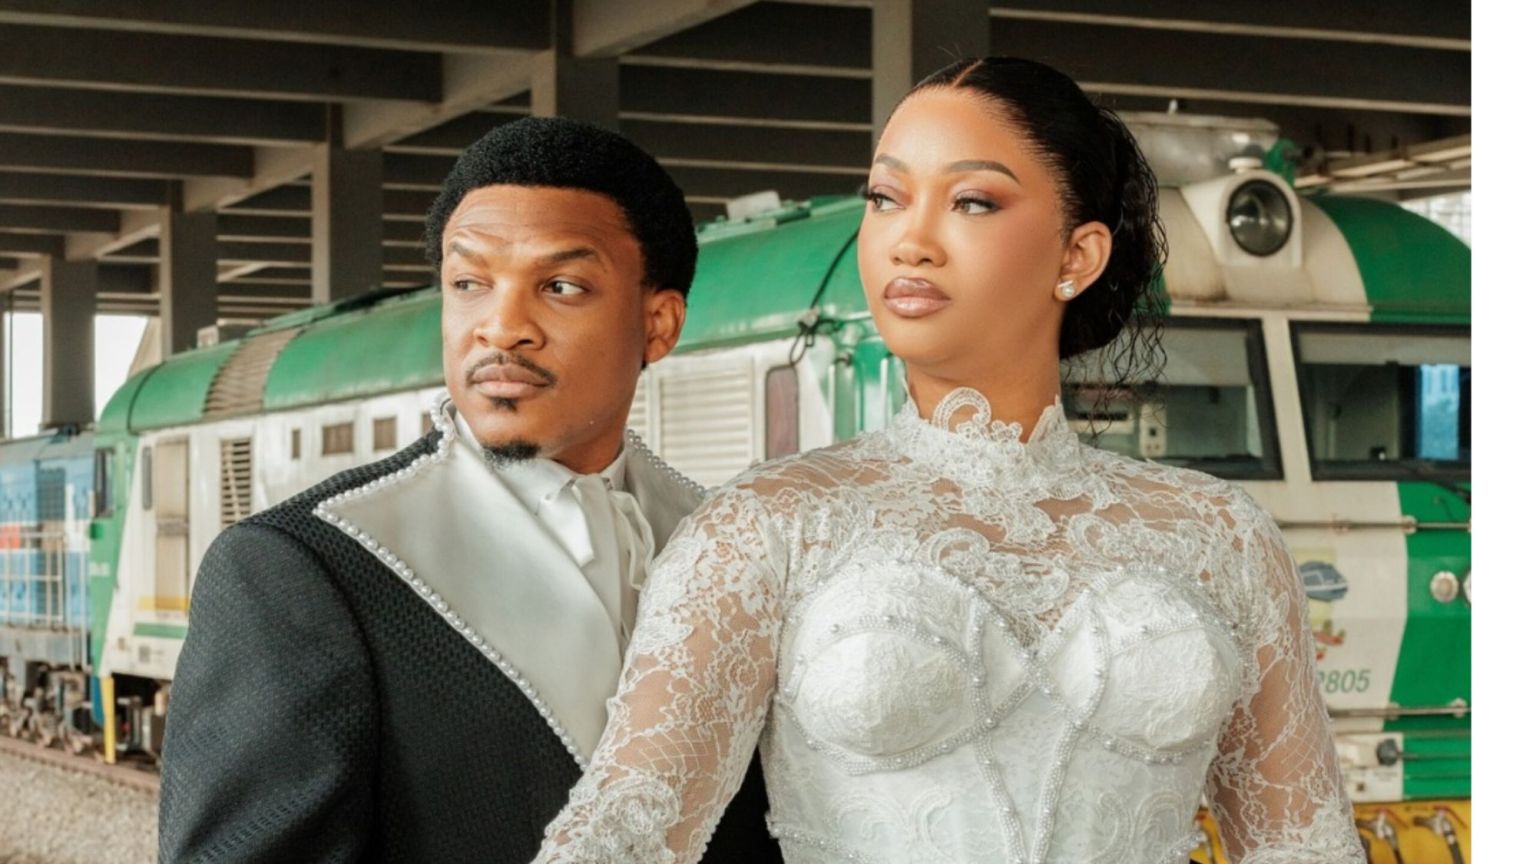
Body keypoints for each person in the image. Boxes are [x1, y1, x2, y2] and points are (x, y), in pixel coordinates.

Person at [534, 58, 1365, 863]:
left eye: (970, 201)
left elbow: (1303, 843)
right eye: (886, 198)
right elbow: (626, 834)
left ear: (1078, 257)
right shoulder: (767, 527)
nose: (911, 240)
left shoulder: (1220, 535)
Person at [158, 118, 780, 864]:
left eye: (560, 286)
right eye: (469, 283)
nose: (501, 326)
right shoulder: (299, 569)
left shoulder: (742, 548)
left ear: (659, 323)